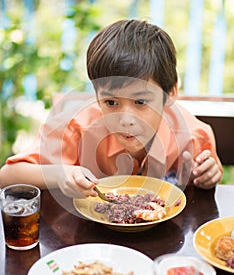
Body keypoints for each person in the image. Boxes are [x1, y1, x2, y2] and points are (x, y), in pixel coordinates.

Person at [0, 19, 223, 198]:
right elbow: (7, 176)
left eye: (140, 102)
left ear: (170, 93)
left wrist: (208, 177)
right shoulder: (75, 127)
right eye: (111, 102)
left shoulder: (192, 135)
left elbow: (207, 179)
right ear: (96, 96)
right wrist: (59, 174)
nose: (125, 119)